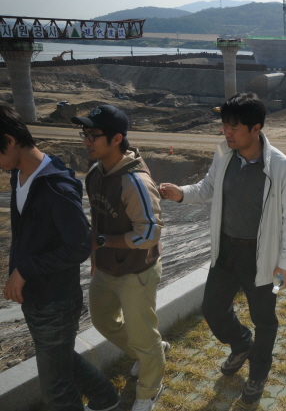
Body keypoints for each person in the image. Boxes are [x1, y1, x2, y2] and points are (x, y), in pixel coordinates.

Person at [159, 92, 286, 404]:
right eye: (224, 125)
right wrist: (180, 193)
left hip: (261, 256)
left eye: (233, 127)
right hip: (225, 250)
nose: (226, 132)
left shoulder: (281, 167)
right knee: (212, 309)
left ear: (256, 128)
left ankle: (258, 373)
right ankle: (241, 343)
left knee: (264, 318)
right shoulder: (224, 154)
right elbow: (207, 188)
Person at [0, 105, 120, 411]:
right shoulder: (20, 174)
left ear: (10, 140)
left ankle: (106, 400)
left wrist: (24, 270)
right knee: (61, 357)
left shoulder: (56, 187)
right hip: (38, 295)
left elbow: (79, 246)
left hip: (55, 300)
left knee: (56, 391)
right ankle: (107, 399)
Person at [73, 105, 168, 411]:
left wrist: (103, 242)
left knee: (143, 335)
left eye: (93, 135)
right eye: (85, 134)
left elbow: (149, 234)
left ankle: (149, 389)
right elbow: (97, 218)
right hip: (105, 267)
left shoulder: (135, 182)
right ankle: (150, 353)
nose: (87, 141)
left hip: (136, 271)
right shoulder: (95, 172)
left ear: (116, 139)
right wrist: (95, 256)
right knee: (103, 321)